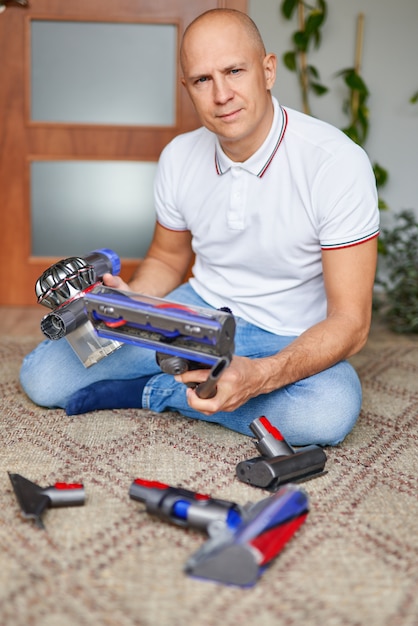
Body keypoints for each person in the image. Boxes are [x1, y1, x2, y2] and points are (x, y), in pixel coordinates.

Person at [20, 8, 379, 447]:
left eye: (234, 71)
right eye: (203, 80)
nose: (222, 94)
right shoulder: (180, 155)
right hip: (196, 315)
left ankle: (158, 391)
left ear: (268, 70)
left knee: (326, 412)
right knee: (44, 377)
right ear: (187, 87)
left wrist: (263, 375)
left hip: (289, 334)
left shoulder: (336, 163)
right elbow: (167, 257)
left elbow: (352, 321)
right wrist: (132, 304)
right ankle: (194, 385)